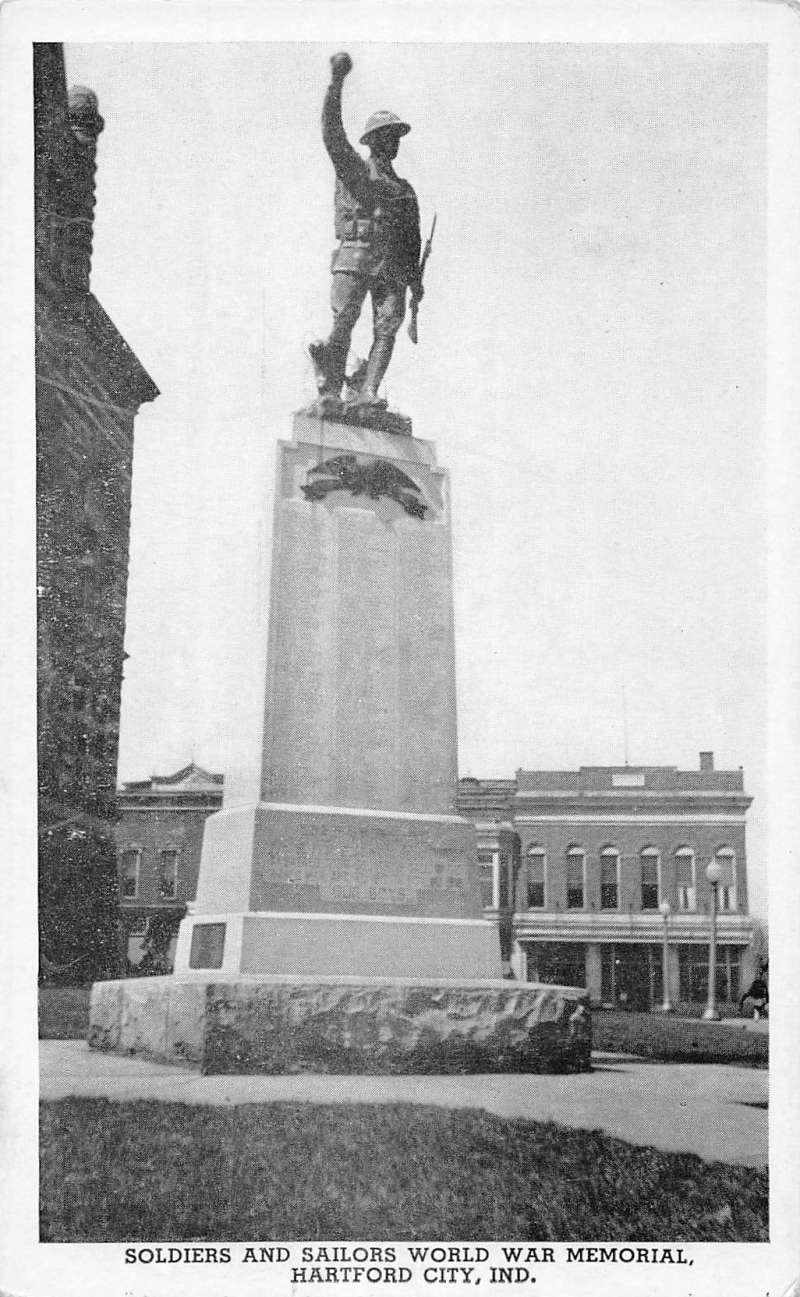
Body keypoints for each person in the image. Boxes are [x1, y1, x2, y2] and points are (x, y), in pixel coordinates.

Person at [310, 51, 424, 408]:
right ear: (373, 140)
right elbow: (332, 134)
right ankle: (330, 390)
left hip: (392, 267)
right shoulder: (356, 171)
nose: (396, 141)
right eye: (389, 135)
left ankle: (368, 391)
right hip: (357, 255)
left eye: (398, 136)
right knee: (344, 320)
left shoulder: (404, 190)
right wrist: (337, 82)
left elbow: (412, 238)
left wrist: (415, 281)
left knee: (387, 328)